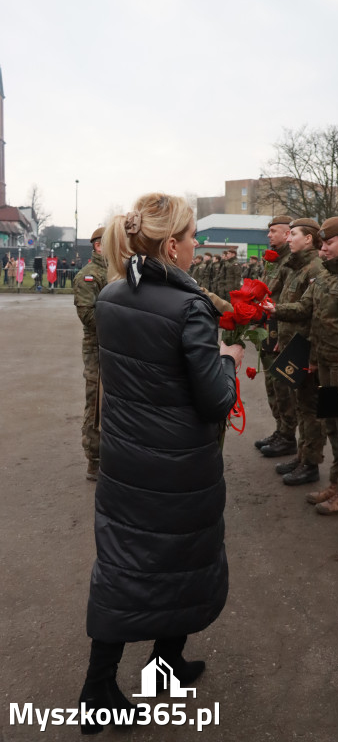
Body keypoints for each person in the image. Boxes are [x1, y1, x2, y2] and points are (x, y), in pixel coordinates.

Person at [78, 192, 243, 732]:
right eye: (192, 237)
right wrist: (229, 360)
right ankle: (105, 688)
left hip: (127, 458)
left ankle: (149, 671)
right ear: (172, 246)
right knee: (183, 562)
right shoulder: (188, 306)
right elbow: (214, 401)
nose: (197, 245)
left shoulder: (112, 295)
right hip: (178, 466)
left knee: (125, 565)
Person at [267, 217, 338, 510]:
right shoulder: (326, 275)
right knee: (333, 427)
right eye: (322, 244)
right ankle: (335, 484)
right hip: (324, 364)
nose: (324, 249)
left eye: (328, 243)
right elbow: (305, 308)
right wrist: (274, 309)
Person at [264, 218, 326, 484]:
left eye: (293, 234)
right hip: (294, 343)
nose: (288, 239)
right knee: (301, 406)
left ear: (308, 238)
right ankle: (303, 456)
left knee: (312, 410)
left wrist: (311, 354)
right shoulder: (297, 266)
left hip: (308, 347)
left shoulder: (315, 268)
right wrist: (282, 337)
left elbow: (314, 315)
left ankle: (311, 464)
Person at [254, 216, 298, 457]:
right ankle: (280, 429)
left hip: (280, 328)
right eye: (268, 231)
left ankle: (288, 435)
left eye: (273, 231)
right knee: (271, 384)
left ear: (287, 234)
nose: (269, 235)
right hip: (268, 327)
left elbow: (291, 300)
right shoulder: (272, 260)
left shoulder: (292, 261)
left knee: (282, 385)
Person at [73, 227, 108, 481]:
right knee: (96, 400)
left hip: (117, 347)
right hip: (97, 346)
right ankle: (94, 459)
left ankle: (114, 454)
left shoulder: (117, 272)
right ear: (98, 246)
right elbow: (88, 316)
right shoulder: (88, 275)